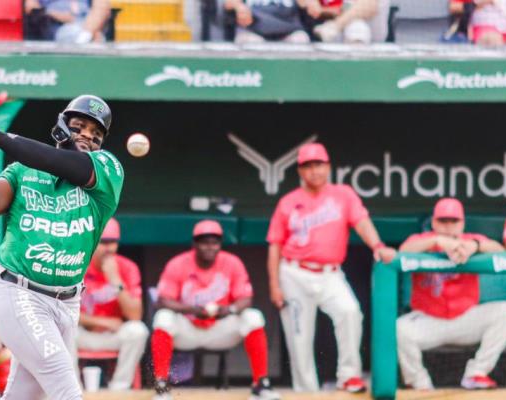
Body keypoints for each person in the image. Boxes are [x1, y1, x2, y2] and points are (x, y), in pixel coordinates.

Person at [0, 94, 123, 400]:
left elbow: (62, 163)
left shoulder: (108, 170)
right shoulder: (23, 170)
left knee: (25, 396)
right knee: (65, 388)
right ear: (61, 127)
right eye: (79, 127)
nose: (87, 136)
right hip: (18, 292)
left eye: (96, 134)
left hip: (67, 303)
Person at [266, 142, 396, 393]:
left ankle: (348, 376)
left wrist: (377, 245)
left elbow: (361, 222)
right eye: (308, 166)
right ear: (300, 171)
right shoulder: (288, 202)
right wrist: (274, 285)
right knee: (299, 338)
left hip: (330, 273)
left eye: (319, 164)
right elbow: (275, 245)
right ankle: (307, 393)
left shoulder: (343, 194)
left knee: (349, 312)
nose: (314, 170)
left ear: (328, 167)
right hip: (294, 272)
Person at [151, 220, 279, 400]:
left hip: (220, 330)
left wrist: (228, 309)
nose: (210, 247)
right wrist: (194, 310)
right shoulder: (178, 264)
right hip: (188, 329)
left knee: (253, 317)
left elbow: (246, 299)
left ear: (220, 244)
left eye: (214, 242)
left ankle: (261, 384)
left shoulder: (232, 263)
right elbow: (163, 300)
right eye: (204, 242)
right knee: (163, 317)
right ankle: (162, 385)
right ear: (195, 244)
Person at [396, 198, 506, 390]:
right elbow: (403, 251)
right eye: (443, 221)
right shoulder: (421, 240)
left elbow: (500, 251)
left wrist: (475, 245)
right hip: (430, 321)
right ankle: (419, 383)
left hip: (465, 319)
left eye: (454, 221)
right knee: (398, 328)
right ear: (434, 222)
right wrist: (437, 241)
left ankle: (477, 373)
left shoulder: (471, 239)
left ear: (462, 223)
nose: (448, 227)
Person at [77, 217, 148, 391]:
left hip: (114, 336)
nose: (108, 248)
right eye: (103, 242)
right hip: (83, 334)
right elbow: (62, 311)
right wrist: (100, 322)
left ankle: (119, 389)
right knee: (60, 328)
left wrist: (116, 280)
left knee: (138, 331)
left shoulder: (127, 267)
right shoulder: (78, 263)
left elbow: (135, 316)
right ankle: (71, 390)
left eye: (112, 242)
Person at [224, 0, 311, 44]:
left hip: (288, 33)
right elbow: (228, 3)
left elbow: (307, 4)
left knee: (301, 38)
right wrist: (239, 6)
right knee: (248, 41)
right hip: (254, 32)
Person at [25, 0, 111, 43]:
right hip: (55, 25)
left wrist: (89, 32)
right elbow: (31, 8)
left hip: (86, 24)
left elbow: (102, 7)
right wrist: (57, 15)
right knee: (71, 32)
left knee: (96, 37)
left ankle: (85, 37)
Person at [310, 0, 389, 43]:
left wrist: (336, 25)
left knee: (357, 27)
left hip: (371, 40)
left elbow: (370, 5)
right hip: (335, 38)